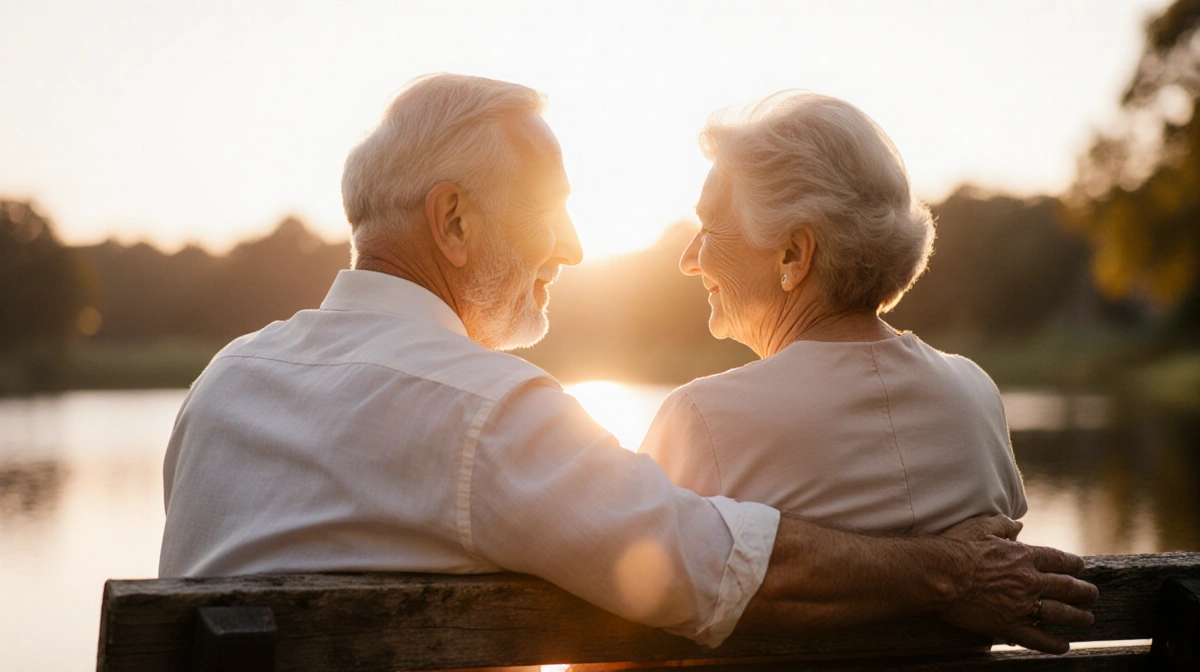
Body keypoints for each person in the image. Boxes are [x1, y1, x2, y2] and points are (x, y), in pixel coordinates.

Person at [159, 73, 1096, 654]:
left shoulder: (221, 388)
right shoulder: (486, 412)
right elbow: (717, 567)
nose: (570, 248)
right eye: (552, 208)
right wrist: (949, 574)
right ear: (452, 220)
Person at [642, 92, 1026, 538]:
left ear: (793, 254)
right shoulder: (976, 396)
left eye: (709, 227)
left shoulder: (701, 421)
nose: (689, 259)